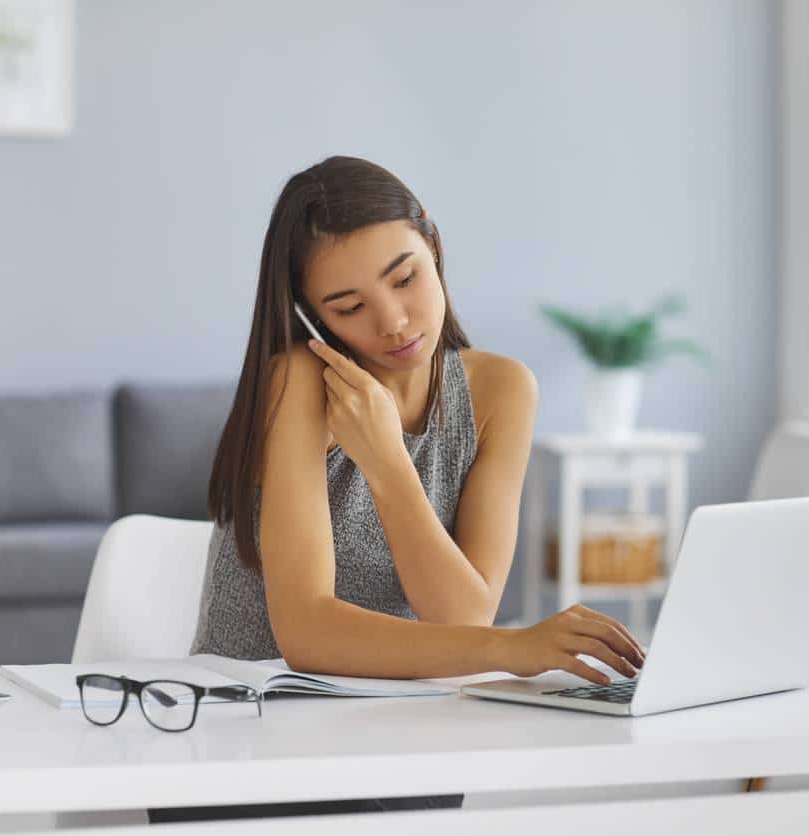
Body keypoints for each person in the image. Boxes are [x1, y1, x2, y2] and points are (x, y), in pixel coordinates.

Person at [152, 156, 644, 822]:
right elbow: (306, 632)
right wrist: (511, 647)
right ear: (311, 315)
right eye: (348, 307)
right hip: (244, 743)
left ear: (433, 244)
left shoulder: (501, 390)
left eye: (405, 277)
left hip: (400, 722)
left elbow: (461, 615)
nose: (391, 323)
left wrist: (387, 461)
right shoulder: (296, 383)